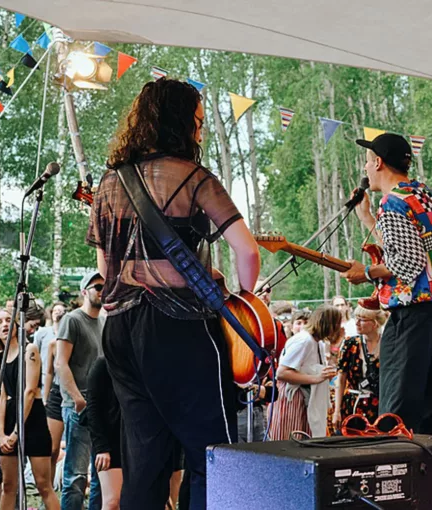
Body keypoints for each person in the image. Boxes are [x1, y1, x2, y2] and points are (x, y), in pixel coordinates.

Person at [86, 78, 261, 509]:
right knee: (210, 455)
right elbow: (248, 250)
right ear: (181, 124)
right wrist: (241, 295)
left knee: (145, 458)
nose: (199, 133)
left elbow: (105, 270)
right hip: (182, 329)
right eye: (197, 123)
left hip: (122, 330)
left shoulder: (110, 182)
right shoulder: (195, 177)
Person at [342, 133, 432, 436]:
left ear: (379, 162)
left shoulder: (392, 203)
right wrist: (368, 220)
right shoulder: (423, 195)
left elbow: (408, 264)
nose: (366, 169)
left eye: (368, 162)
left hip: (413, 316)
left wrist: (367, 273)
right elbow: (409, 249)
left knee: (396, 417)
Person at [0, 308, 59, 510]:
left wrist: (16, 433)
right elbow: (1, 397)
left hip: (32, 418)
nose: (4, 324)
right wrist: (0, 434)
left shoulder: (29, 350)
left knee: (43, 484)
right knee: (8, 485)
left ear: (16, 324)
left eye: (8, 320)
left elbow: (30, 391)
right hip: (8, 419)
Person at [55, 272, 105, 510]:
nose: (101, 290)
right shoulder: (72, 320)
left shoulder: (104, 322)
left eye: (105, 286)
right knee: (75, 474)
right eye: (96, 286)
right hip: (79, 407)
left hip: (101, 407)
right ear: (84, 291)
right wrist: (77, 399)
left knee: (100, 473)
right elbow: (60, 363)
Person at [268, 305, 342, 440]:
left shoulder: (317, 342)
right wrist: (317, 377)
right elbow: (282, 373)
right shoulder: (304, 341)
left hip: (305, 401)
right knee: (290, 444)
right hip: (293, 400)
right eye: (336, 324)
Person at [332, 306, 386, 430]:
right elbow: (341, 380)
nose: (357, 323)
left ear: (375, 323)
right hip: (352, 406)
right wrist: (337, 411)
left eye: (362, 319)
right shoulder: (350, 344)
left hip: (378, 407)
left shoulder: (387, 344)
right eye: (356, 318)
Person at [36, 301, 67, 483]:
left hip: (76, 393)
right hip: (55, 393)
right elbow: (48, 371)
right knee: (52, 447)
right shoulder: (48, 340)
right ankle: (48, 486)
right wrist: (45, 398)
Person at [85, 357, 121, 510]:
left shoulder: (140, 363)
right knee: (112, 501)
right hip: (110, 442)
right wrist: (101, 447)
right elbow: (93, 408)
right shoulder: (102, 364)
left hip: (136, 443)